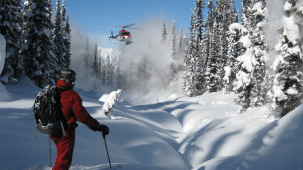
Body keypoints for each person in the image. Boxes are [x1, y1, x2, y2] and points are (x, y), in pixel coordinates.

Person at [51, 68, 109, 170]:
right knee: (63, 162)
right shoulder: (72, 95)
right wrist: (97, 126)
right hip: (65, 132)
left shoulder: (54, 91)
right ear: (70, 79)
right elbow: (82, 116)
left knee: (62, 158)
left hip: (54, 130)